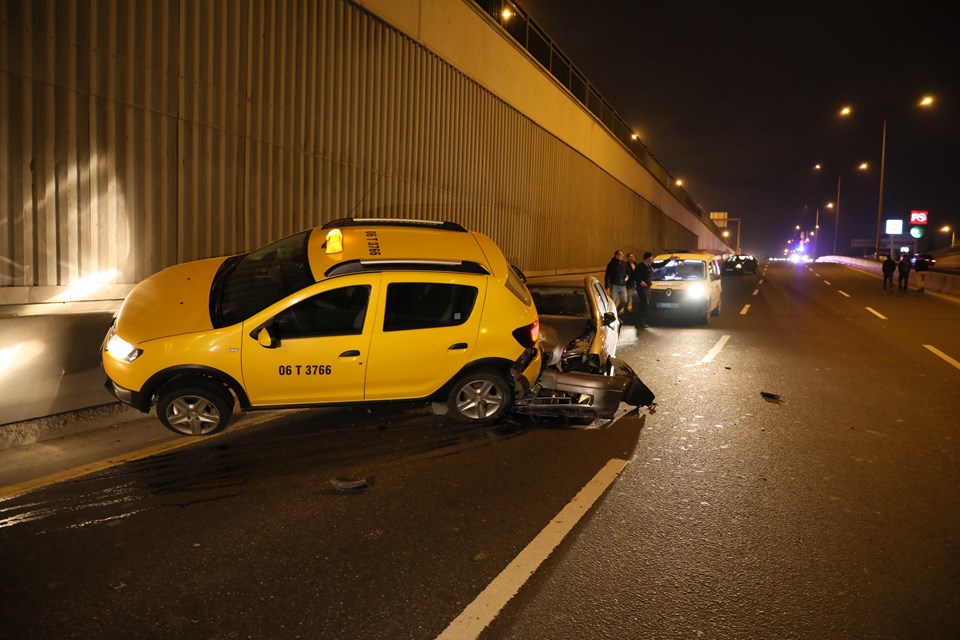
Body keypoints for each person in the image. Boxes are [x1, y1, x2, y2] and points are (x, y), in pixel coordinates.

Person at [632, 251, 654, 328]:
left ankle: (641, 322)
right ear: (647, 258)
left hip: (647, 288)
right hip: (641, 288)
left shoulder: (649, 265)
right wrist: (640, 281)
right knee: (644, 304)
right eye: (651, 257)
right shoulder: (640, 266)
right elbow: (633, 276)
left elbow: (659, 265)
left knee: (644, 305)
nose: (652, 259)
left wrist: (669, 259)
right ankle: (639, 322)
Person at [604, 249, 629, 314]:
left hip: (623, 285)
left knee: (624, 301)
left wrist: (627, 276)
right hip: (614, 285)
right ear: (616, 256)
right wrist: (607, 285)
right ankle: (612, 315)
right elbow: (607, 275)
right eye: (620, 254)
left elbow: (628, 272)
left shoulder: (624, 263)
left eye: (622, 254)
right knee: (613, 301)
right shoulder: (611, 264)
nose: (622, 256)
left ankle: (616, 312)